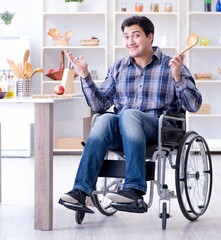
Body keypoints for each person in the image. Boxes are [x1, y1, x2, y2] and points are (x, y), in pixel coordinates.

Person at [59, 15, 202, 210]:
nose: (129, 42)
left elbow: (194, 105)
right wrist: (84, 75)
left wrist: (178, 78)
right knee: (105, 118)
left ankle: (134, 189)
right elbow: (100, 105)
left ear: (150, 37)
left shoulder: (172, 66)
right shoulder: (119, 67)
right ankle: (81, 191)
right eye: (126, 37)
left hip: (158, 130)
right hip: (124, 132)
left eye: (135, 36)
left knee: (128, 114)